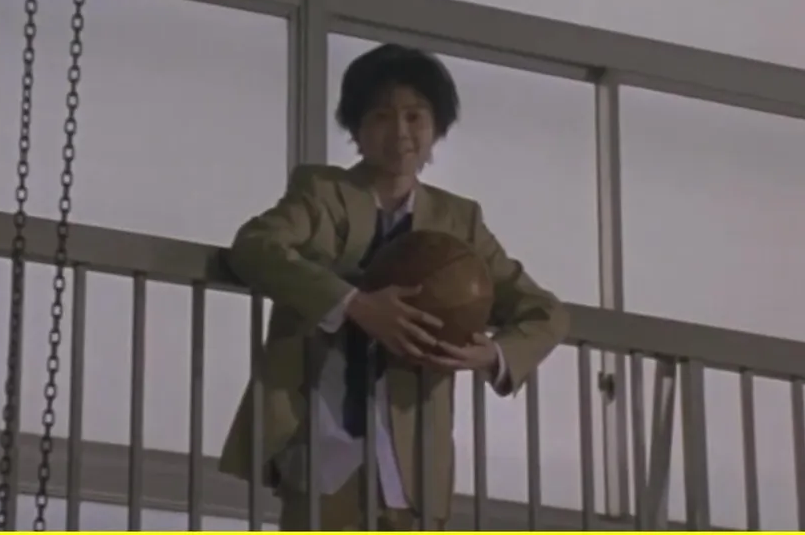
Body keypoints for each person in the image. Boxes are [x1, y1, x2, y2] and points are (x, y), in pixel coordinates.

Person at [217, 43, 570, 530]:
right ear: (356, 128)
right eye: (382, 116)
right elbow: (256, 246)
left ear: (436, 127)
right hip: (323, 438)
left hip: (413, 458)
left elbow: (545, 311)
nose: (400, 131)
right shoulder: (324, 193)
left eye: (415, 116)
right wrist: (354, 304)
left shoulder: (459, 220)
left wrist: (493, 354)